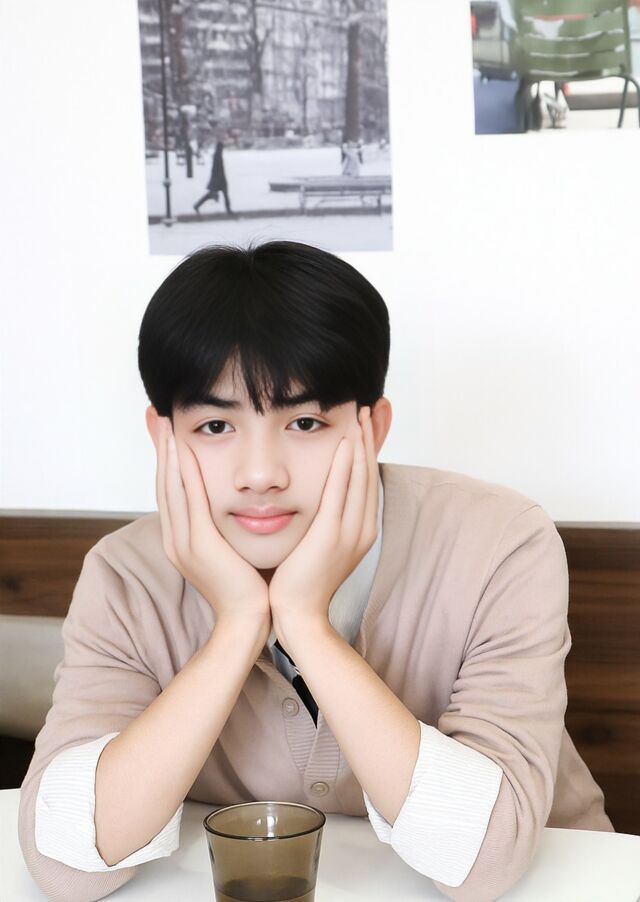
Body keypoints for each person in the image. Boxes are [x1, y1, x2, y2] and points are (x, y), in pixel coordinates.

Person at [18, 241, 613, 902]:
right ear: (164, 437)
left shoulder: (499, 542)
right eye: (215, 426)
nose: (260, 474)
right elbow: (67, 864)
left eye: (304, 422)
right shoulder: (125, 575)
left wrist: (306, 624)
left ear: (372, 427)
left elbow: (486, 864)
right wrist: (238, 625)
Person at [194, 131, 233, 216]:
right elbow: (217, 169)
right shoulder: (218, 156)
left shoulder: (217, 155)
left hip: (218, 179)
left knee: (212, 195)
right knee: (221, 194)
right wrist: (220, 179)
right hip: (219, 180)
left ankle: (197, 205)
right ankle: (228, 210)